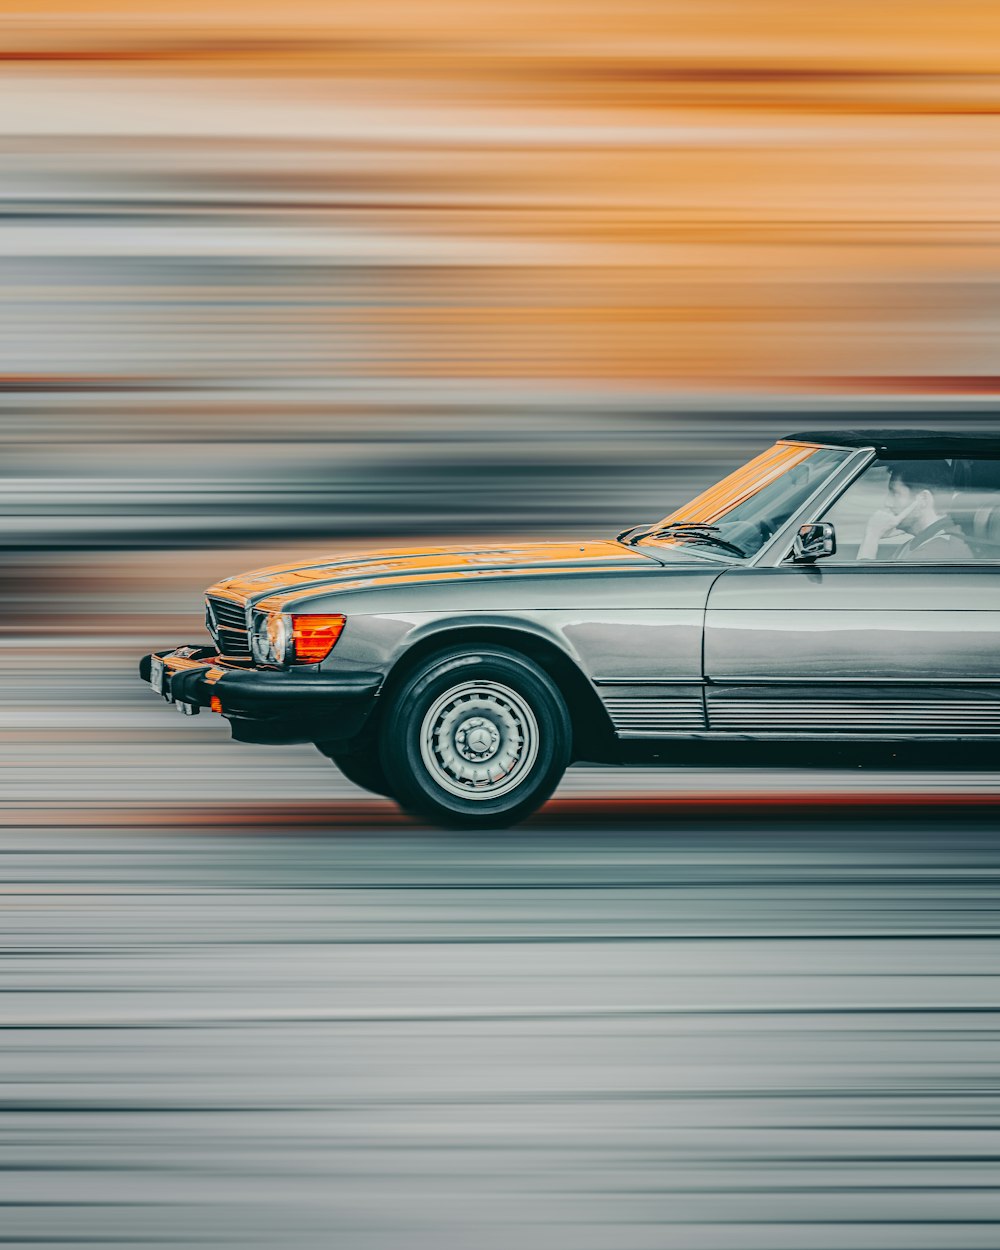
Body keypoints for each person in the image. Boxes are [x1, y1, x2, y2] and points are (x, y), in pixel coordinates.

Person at [858, 460, 973, 562]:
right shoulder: (920, 543)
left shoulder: (936, 552)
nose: (887, 503)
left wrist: (872, 536)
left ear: (923, 499)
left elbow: (865, 584)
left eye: (895, 493)